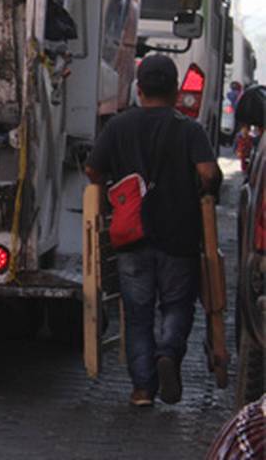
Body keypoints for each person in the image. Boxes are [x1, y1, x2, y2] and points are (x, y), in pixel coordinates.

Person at [85, 54, 221, 407]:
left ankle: (143, 389)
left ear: (139, 89)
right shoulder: (190, 129)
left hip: (131, 236)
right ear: (176, 91)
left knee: (138, 312)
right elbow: (207, 173)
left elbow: (93, 172)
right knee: (177, 305)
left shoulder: (118, 127)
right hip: (180, 235)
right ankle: (168, 353)